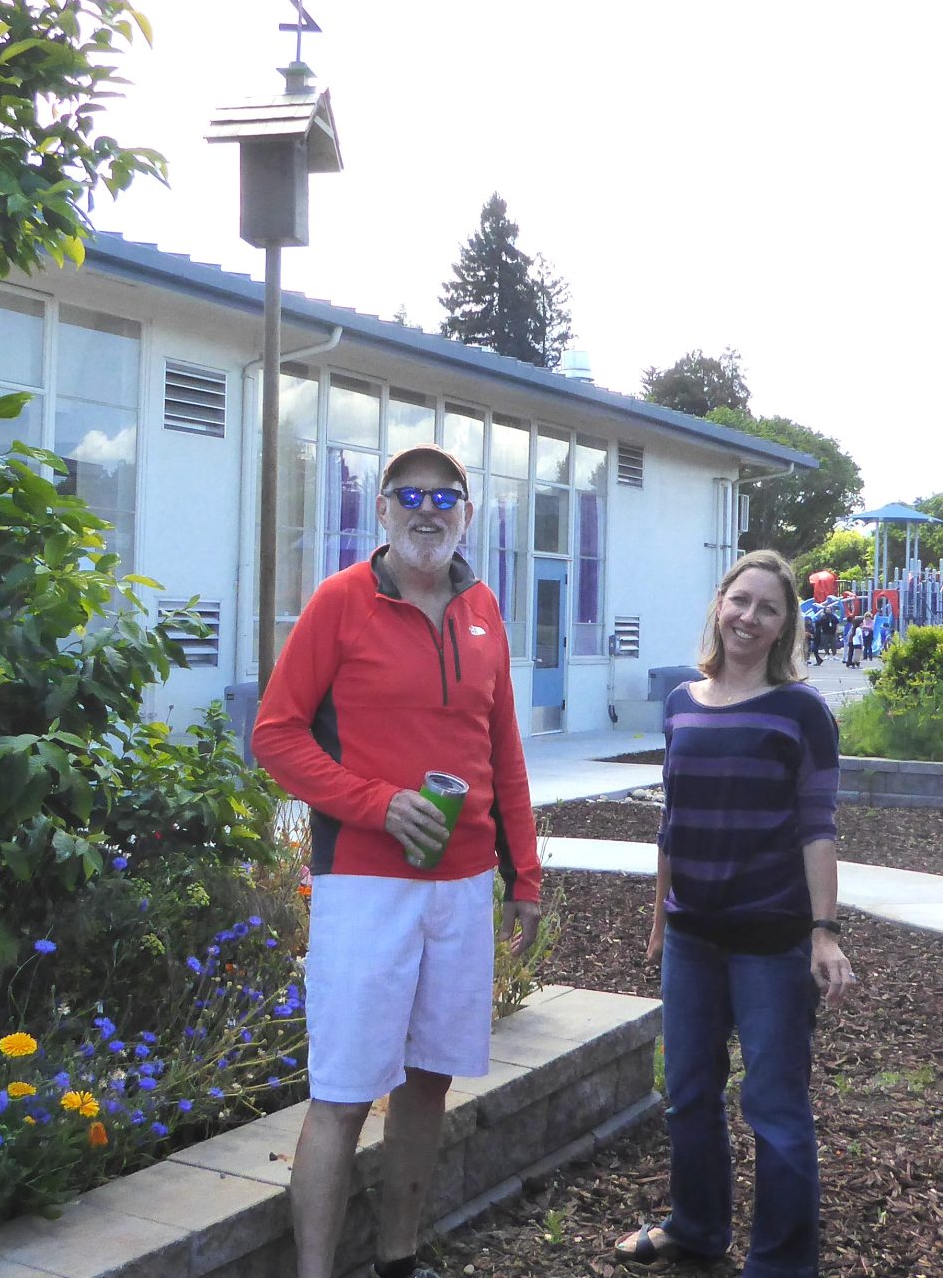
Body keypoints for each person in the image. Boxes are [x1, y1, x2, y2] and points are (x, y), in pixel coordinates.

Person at [251, 443, 544, 1278]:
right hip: (365, 886)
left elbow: (504, 750)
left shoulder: (484, 610)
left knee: (427, 1085)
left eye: (445, 495)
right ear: (381, 509)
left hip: (459, 889)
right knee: (342, 1092)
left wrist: (522, 874)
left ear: (467, 513)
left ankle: (398, 1260)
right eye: (409, 493)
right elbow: (275, 735)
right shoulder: (339, 603)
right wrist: (377, 802)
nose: (428, 508)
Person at [617, 550, 855, 1275]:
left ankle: (781, 1262)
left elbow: (818, 824)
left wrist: (824, 930)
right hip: (693, 935)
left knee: (775, 1108)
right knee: (688, 1094)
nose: (750, 617)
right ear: (719, 604)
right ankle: (695, 1228)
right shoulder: (682, 703)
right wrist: (661, 918)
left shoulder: (801, 710)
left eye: (768, 608)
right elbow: (673, 822)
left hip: (771, 939)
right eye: (740, 600)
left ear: (785, 625)